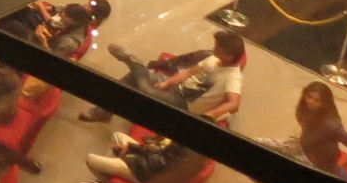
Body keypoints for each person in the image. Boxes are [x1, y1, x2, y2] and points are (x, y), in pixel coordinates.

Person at [82, 31, 244, 124]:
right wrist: (168, 82)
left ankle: (134, 62)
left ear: (229, 56)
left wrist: (211, 115)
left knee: (145, 89)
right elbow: (189, 72)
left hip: (184, 104)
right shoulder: (214, 59)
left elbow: (233, 103)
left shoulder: (233, 77)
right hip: (177, 88)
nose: (214, 48)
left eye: (218, 47)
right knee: (134, 78)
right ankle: (104, 111)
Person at [252, 80, 347, 167]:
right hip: (303, 148)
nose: (310, 101)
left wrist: (344, 166)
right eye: (309, 97)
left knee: (278, 163)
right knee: (257, 144)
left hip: (316, 162)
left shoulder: (331, 126)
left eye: (317, 100)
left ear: (325, 103)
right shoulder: (304, 110)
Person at [78, 129, 200, 183]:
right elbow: (161, 153)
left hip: (148, 177)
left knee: (91, 160)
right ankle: (110, 180)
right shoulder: (193, 144)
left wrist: (131, 153)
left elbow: (157, 164)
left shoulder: (187, 151)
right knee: (118, 136)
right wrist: (133, 148)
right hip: (149, 164)